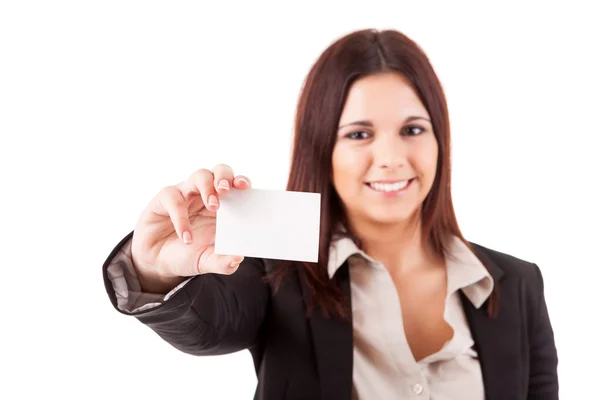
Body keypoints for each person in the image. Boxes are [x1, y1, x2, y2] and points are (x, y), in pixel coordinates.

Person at [102, 29, 559, 399]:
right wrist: (155, 268)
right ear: (323, 150)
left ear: (440, 141)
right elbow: (207, 329)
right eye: (360, 134)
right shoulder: (276, 271)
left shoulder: (517, 285)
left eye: (413, 129)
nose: (391, 157)